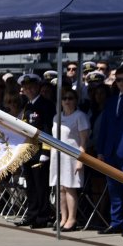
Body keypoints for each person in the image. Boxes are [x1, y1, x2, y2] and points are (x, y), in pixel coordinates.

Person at [97, 64, 123, 236]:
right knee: (113, 188)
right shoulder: (112, 101)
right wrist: (100, 151)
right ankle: (116, 221)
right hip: (110, 151)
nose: (121, 83)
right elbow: (104, 128)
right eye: (118, 80)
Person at [15, 73, 56, 228]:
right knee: (30, 186)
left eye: (31, 87)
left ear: (38, 87)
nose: (29, 90)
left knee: (41, 187)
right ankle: (31, 214)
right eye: (26, 88)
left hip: (40, 151)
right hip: (28, 151)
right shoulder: (27, 105)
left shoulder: (46, 105)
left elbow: (47, 129)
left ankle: (42, 216)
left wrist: (46, 152)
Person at [49, 88, 89, 231]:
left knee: (70, 188)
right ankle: (63, 217)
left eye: (70, 98)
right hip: (57, 156)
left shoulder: (80, 116)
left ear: (76, 100)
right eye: (64, 98)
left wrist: (80, 159)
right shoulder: (56, 117)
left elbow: (84, 141)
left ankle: (72, 219)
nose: (67, 101)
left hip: (72, 156)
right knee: (60, 188)